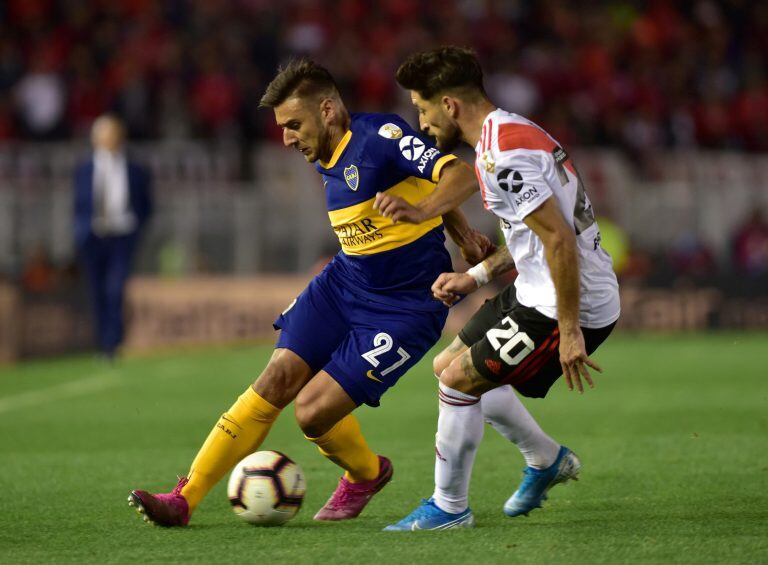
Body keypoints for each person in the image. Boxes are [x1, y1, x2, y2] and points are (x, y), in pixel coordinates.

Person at [128, 59, 495, 527]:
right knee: (275, 379)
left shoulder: (380, 136)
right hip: (344, 282)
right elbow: (417, 184)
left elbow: (458, 176)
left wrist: (427, 213)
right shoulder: (325, 152)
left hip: (405, 306)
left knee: (311, 413)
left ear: (327, 110)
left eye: (294, 124)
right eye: (283, 128)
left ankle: (366, 472)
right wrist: (458, 231)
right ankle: (184, 499)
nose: (286, 138)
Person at [374, 47, 621, 530]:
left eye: (423, 111)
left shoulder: (501, 154)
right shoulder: (510, 130)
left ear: (449, 106)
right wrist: (476, 277)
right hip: (538, 287)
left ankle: (449, 508)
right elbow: (535, 235)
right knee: (447, 367)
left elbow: (559, 239)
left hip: (567, 303)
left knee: (458, 383)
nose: (422, 124)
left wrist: (570, 330)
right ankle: (545, 458)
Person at [73, 115, 152, 359]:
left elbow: (146, 204)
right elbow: (78, 204)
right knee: (97, 290)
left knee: (115, 288)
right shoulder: (84, 169)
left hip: (122, 236)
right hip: (94, 237)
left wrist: (136, 228)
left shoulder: (134, 169)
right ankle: (102, 343)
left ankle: (113, 343)